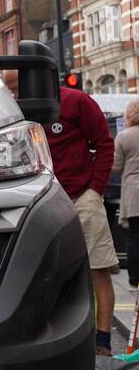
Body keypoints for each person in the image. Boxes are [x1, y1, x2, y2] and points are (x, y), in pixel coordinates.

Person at [45, 85, 117, 354]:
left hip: (81, 197)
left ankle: (103, 343)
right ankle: (60, 343)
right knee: (48, 275)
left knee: (98, 270)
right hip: (44, 202)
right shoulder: (10, 105)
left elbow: (104, 144)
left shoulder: (75, 101)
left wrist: (94, 190)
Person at [114, 99, 139, 287]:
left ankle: (134, 278)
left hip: (133, 191)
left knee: (134, 236)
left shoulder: (123, 136)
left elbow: (116, 166)